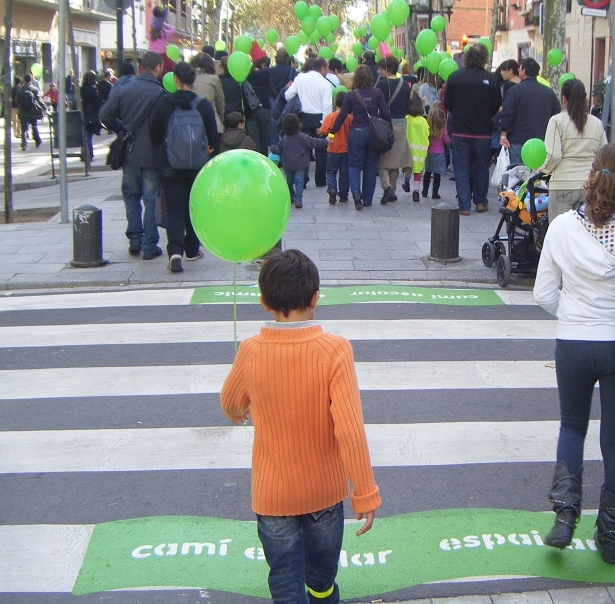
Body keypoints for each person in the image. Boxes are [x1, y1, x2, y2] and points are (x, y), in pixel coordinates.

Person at [220, 249, 380, 602]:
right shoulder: (334, 350)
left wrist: (236, 411)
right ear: (315, 298)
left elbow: (231, 400)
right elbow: (350, 428)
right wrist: (365, 492)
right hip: (323, 492)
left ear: (263, 302)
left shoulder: (250, 349)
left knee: (284, 578)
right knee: (321, 575)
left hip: (272, 494)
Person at [534, 143, 615, 564]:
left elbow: (544, 292)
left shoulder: (562, 226)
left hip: (573, 342)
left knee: (572, 427)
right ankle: (611, 535)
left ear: (591, 176)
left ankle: (564, 517)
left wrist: (572, 315)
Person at [149, 61, 219, 273]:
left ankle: (175, 251)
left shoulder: (164, 104)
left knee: (175, 209)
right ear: (193, 80)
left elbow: (154, 135)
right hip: (197, 167)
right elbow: (213, 139)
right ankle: (192, 249)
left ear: (176, 80)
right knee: (193, 207)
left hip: (171, 167)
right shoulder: (203, 105)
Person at [100, 51, 166, 259]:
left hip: (130, 150)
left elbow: (105, 115)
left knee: (131, 195)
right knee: (150, 198)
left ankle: (135, 239)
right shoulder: (160, 93)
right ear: (157, 68)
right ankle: (149, 244)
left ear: (141, 67)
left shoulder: (124, 89)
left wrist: (121, 128)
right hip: (152, 154)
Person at [443, 43, 502, 216]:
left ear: (466, 58)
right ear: (484, 59)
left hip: (460, 130)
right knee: (481, 167)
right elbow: (496, 104)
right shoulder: (491, 79)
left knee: (461, 168)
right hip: (482, 131)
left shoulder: (455, 77)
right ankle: (481, 201)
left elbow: (448, 103)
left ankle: (464, 205)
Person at [539, 78, 608, 221]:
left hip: (563, 184)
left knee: (559, 231)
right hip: (589, 184)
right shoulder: (597, 123)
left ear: (564, 98)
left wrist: (543, 169)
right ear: (585, 98)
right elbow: (604, 155)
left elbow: (554, 155)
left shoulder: (557, 121)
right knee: (585, 231)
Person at [329, 64, 391, 210]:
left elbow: (341, 116)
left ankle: (356, 193)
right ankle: (368, 199)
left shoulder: (351, 95)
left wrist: (332, 132)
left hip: (356, 132)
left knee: (354, 165)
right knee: (370, 166)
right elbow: (385, 113)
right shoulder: (377, 93)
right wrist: (389, 130)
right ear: (370, 77)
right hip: (373, 133)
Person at [498, 58, 561, 166]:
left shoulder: (514, 91)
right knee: (537, 177)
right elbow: (556, 114)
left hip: (518, 140)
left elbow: (508, 114)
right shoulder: (548, 92)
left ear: (523, 71)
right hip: (541, 141)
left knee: (517, 175)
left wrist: (503, 134)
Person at [284, 57, 333, 187]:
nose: (328, 70)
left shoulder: (300, 78)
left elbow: (288, 95)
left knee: (303, 147)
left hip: (302, 117)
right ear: (322, 68)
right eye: (327, 67)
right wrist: (324, 125)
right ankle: (320, 180)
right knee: (321, 149)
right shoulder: (325, 84)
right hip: (319, 118)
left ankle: (303, 179)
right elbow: (327, 106)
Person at [376, 56, 412, 205]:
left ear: (386, 69)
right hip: (401, 123)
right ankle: (393, 189)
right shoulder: (404, 85)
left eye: (381, 69)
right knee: (396, 160)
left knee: (383, 159)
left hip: (385, 124)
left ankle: (386, 187)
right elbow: (407, 107)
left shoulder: (381, 85)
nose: (379, 71)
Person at [276, 113, 328, 209]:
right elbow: (314, 142)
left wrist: (272, 149)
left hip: (288, 164)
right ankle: (298, 200)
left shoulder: (284, 138)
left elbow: (279, 149)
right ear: (297, 124)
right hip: (300, 164)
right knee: (299, 182)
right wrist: (326, 141)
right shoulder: (302, 137)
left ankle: (291, 197)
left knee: (289, 181)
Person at [319, 91, 352, 205]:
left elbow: (323, 130)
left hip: (332, 149)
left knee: (331, 171)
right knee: (344, 172)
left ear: (335, 103)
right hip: (346, 149)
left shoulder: (330, 117)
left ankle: (332, 189)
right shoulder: (349, 117)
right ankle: (343, 194)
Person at [190, 51, 226, 144]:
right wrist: (222, 120)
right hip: (213, 124)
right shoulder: (214, 79)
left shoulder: (188, 78)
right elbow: (221, 104)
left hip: (191, 125)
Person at [246, 42, 273, 155]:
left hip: (250, 109)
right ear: (262, 63)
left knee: (254, 136)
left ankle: (255, 157)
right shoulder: (266, 73)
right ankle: (264, 158)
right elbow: (272, 90)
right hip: (265, 107)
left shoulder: (247, 74)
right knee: (264, 136)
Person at [405, 92, 429, 202]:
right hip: (420, 152)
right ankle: (416, 192)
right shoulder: (423, 121)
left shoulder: (407, 119)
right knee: (418, 172)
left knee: (408, 168)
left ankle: (406, 183)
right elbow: (427, 134)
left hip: (408, 150)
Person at [422, 102, 449, 199]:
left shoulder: (427, 129)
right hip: (439, 154)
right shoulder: (443, 130)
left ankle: (424, 191)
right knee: (437, 175)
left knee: (427, 173)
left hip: (428, 153)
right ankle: (435, 193)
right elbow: (447, 141)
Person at [16, 74, 45, 151]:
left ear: (24, 80)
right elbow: (38, 99)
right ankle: (37, 140)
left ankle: (24, 144)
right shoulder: (34, 89)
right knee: (34, 125)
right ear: (31, 80)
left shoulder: (21, 89)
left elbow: (17, 101)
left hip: (23, 111)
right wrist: (44, 107)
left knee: (23, 128)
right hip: (32, 111)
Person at [80, 71, 102, 161]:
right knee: (88, 137)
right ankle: (89, 154)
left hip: (82, 115)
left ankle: (84, 153)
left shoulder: (80, 90)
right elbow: (96, 104)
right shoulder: (92, 91)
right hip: (91, 116)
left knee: (85, 136)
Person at [148, 5, 177, 73]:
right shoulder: (164, 34)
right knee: (169, 69)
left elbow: (147, 35)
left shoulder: (150, 34)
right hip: (162, 56)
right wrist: (164, 24)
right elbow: (173, 30)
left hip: (151, 56)